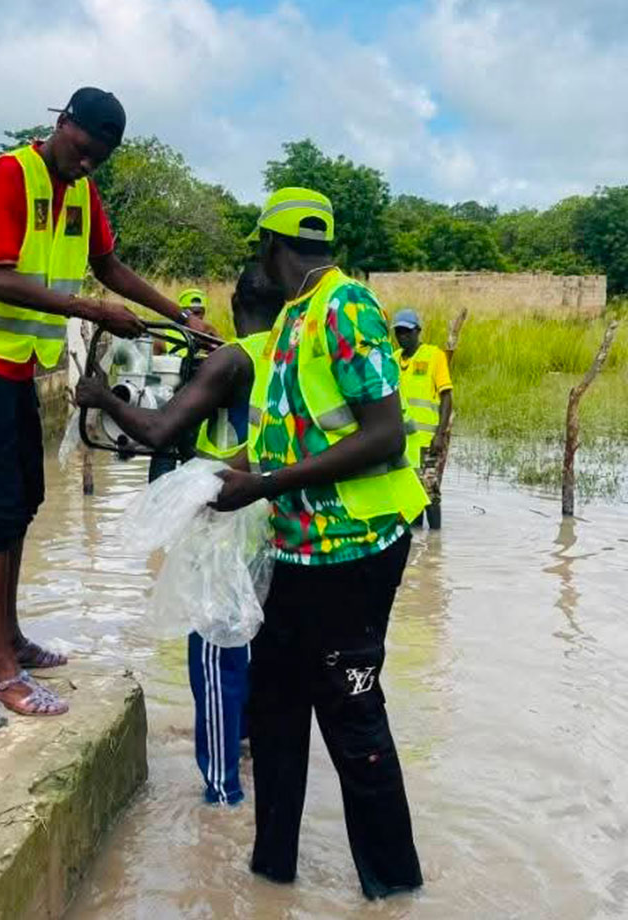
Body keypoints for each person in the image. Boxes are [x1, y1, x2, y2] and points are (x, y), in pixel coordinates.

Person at [0, 86, 211, 716]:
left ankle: (10, 641)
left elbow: (108, 265)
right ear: (61, 125)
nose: (87, 166)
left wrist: (178, 316)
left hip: (17, 371)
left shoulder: (82, 192)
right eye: (83, 150)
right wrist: (91, 311)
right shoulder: (9, 175)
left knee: (24, 502)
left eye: (100, 159)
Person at [212, 187, 429, 901]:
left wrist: (265, 486)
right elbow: (285, 439)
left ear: (272, 249)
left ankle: (395, 891)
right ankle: (271, 879)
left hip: (356, 553)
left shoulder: (349, 308)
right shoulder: (289, 327)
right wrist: (220, 476)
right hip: (296, 556)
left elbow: (383, 434)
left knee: (352, 715)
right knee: (273, 715)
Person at [77, 263, 284, 804]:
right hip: (283, 522)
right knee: (263, 651)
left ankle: (222, 797)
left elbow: (158, 429)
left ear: (235, 307)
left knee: (216, 656)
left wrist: (104, 400)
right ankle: (253, 757)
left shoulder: (233, 360)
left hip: (227, 525)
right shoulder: (296, 357)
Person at [392, 308, 453, 529]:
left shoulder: (434, 355)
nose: (402, 337)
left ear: (418, 331)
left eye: (407, 332)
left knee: (429, 492)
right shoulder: (393, 359)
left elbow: (447, 397)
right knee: (410, 495)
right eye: (398, 332)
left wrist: (440, 434)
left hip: (427, 441)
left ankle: (435, 542)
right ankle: (418, 545)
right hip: (402, 441)